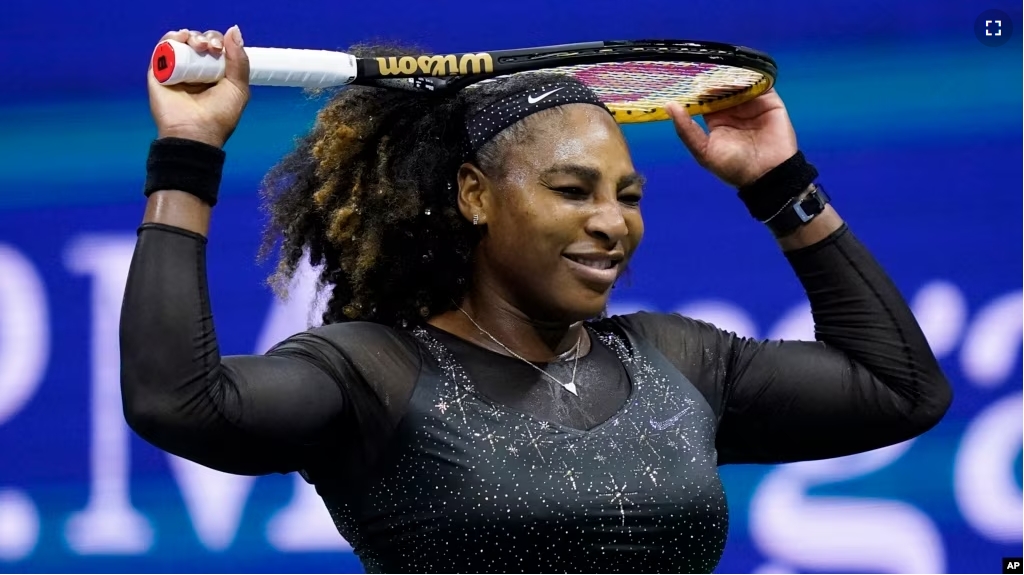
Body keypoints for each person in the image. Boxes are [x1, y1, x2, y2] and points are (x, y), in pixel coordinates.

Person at [120, 26, 952, 574]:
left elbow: (901, 389)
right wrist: (187, 155)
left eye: (629, 195)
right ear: (475, 195)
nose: (611, 223)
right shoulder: (375, 373)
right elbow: (177, 402)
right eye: (572, 189)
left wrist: (780, 182)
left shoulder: (677, 358)